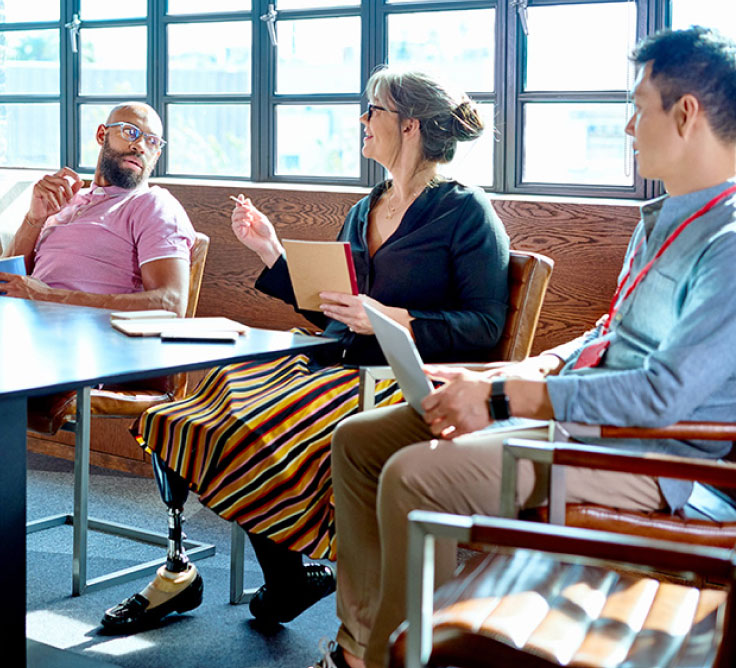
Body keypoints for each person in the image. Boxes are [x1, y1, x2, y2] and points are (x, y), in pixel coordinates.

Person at [316, 26, 736, 668]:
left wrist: (509, 396)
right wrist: (534, 365)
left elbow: (662, 395)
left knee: (411, 473)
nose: (627, 128)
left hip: (648, 459)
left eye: (637, 108)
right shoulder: (665, 220)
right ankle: (362, 640)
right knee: (361, 441)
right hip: (584, 421)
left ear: (685, 115)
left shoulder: (727, 243)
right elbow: (609, 335)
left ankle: (388, 658)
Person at [101, 68, 511, 633]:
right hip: (339, 362)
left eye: (374, 111)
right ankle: (280, 572)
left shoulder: (465, 212)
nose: (363, 120)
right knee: (198, 407)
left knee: (262, 419)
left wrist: (392, 318)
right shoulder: (367, 207)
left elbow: (485, 326)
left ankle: (294, 574)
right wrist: (271, 252)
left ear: (410, 125)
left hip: (401, 377)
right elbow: (333, 310)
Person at [0, 102, 194, 314]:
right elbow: (7, 282)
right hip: (27, 327)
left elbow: (171, 304)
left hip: (96, 339)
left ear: (156, 157)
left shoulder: (154, 205)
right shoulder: (66, 202)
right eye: (131, 132)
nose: (140, 146)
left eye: (153, 142)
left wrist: (46, 296)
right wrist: (34, 219)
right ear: (102, 135)